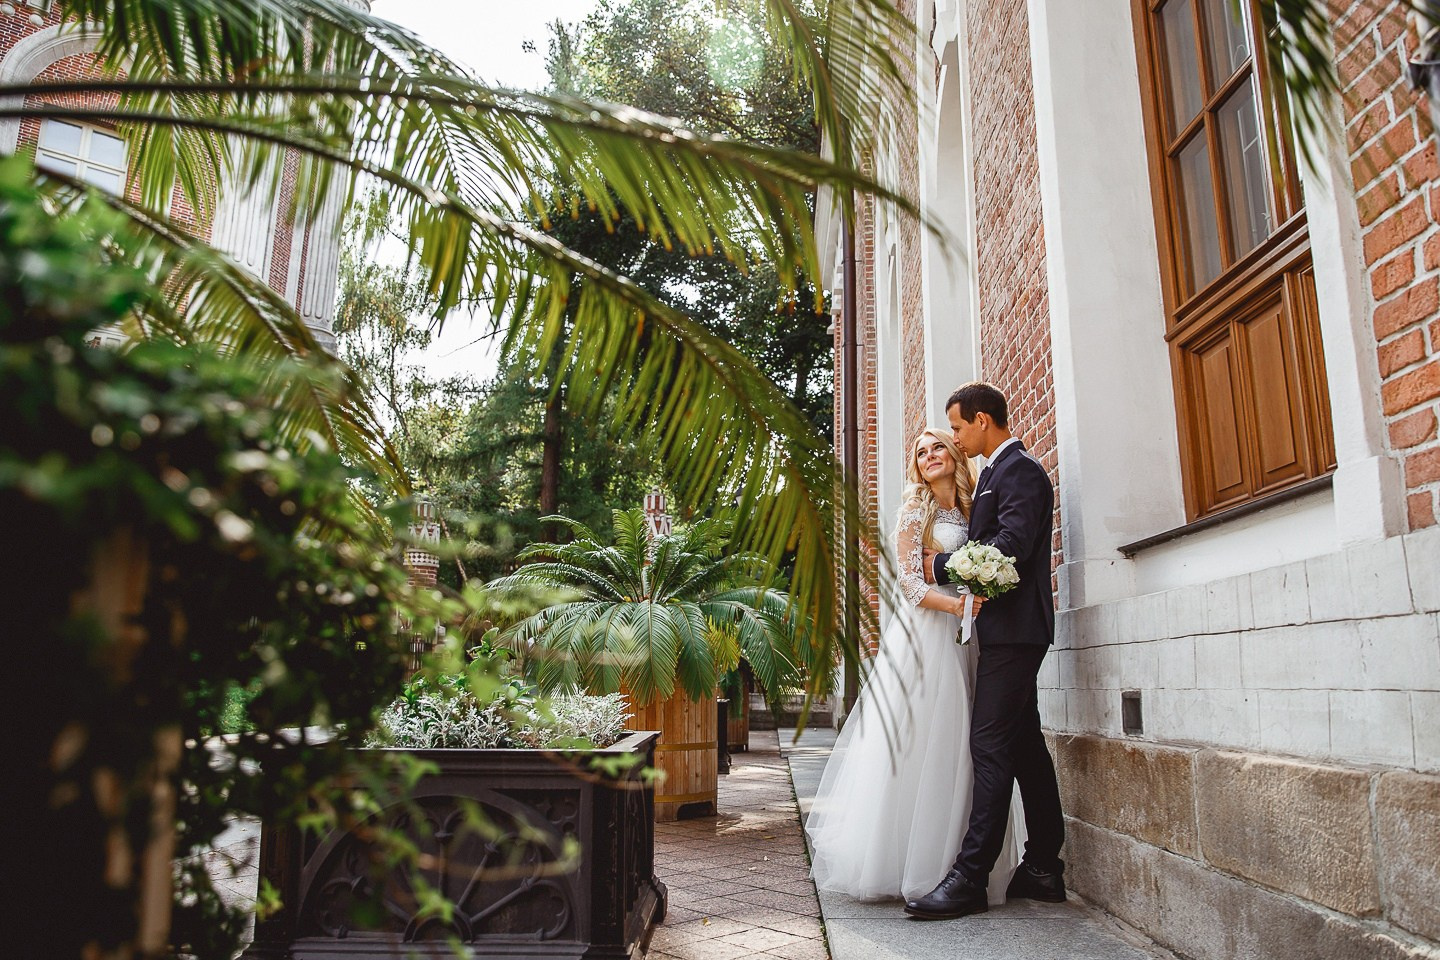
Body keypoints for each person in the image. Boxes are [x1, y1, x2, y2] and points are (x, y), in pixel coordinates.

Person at [805, 427, 1025, 904]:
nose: (929, 457)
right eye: (921, 453)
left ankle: (957, 861)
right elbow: (908, 584)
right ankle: (907, 860)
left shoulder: (976, 508)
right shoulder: (914, 512)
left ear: (955, 452)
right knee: (925, 739)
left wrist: (971, 603)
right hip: (927, 637)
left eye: (938, 447)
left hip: (972, 640)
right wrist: (960, 609)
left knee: (969, 744)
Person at [904, 381, 1067, 920]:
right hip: (1002, 633)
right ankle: (1043, 866)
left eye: (955, 427)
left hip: (1016, 633)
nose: (953, 437)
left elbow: (1009, 550)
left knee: (988, 747)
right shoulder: (996, 474)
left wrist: (939, 567)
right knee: (1024, 748)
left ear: (979, 420)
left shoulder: (1020, 472)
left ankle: (971, 878)